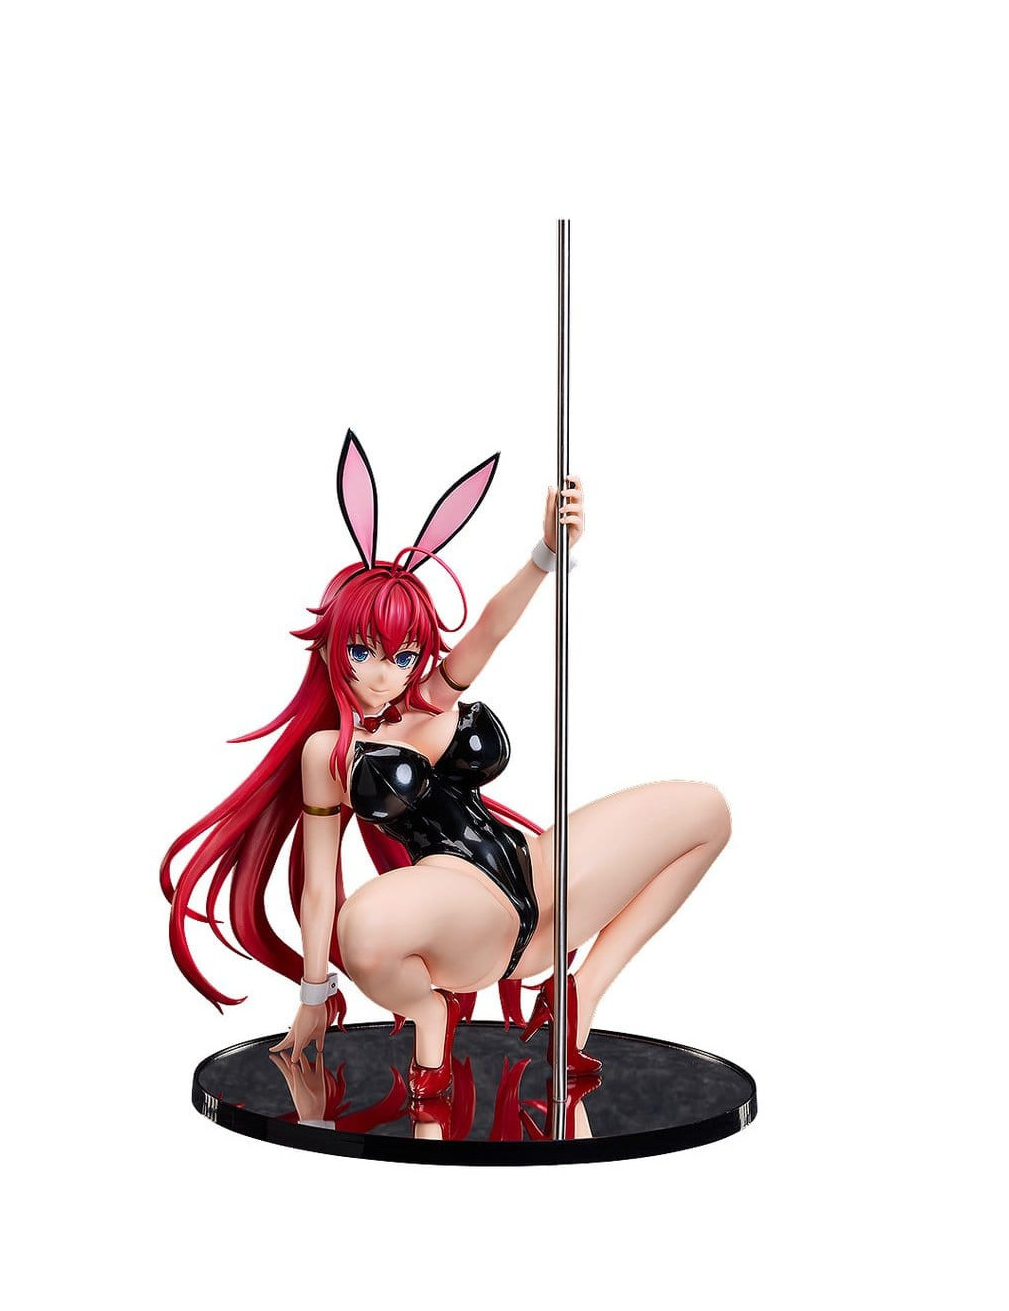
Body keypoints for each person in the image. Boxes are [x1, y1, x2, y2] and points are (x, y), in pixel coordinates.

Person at [161, 431, 731, 1098]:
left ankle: (579, 995)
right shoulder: (329, 753)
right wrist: (315, 993)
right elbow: (320, 887)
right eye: (364, 652)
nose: (384, 675)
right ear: (333, 646)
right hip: (466, 915)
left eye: (403, 656)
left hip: (538, 874)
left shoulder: (432, 695)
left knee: (707, 814)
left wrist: (547, 553)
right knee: (362, 926)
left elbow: (491, 628)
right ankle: (431, 1018)